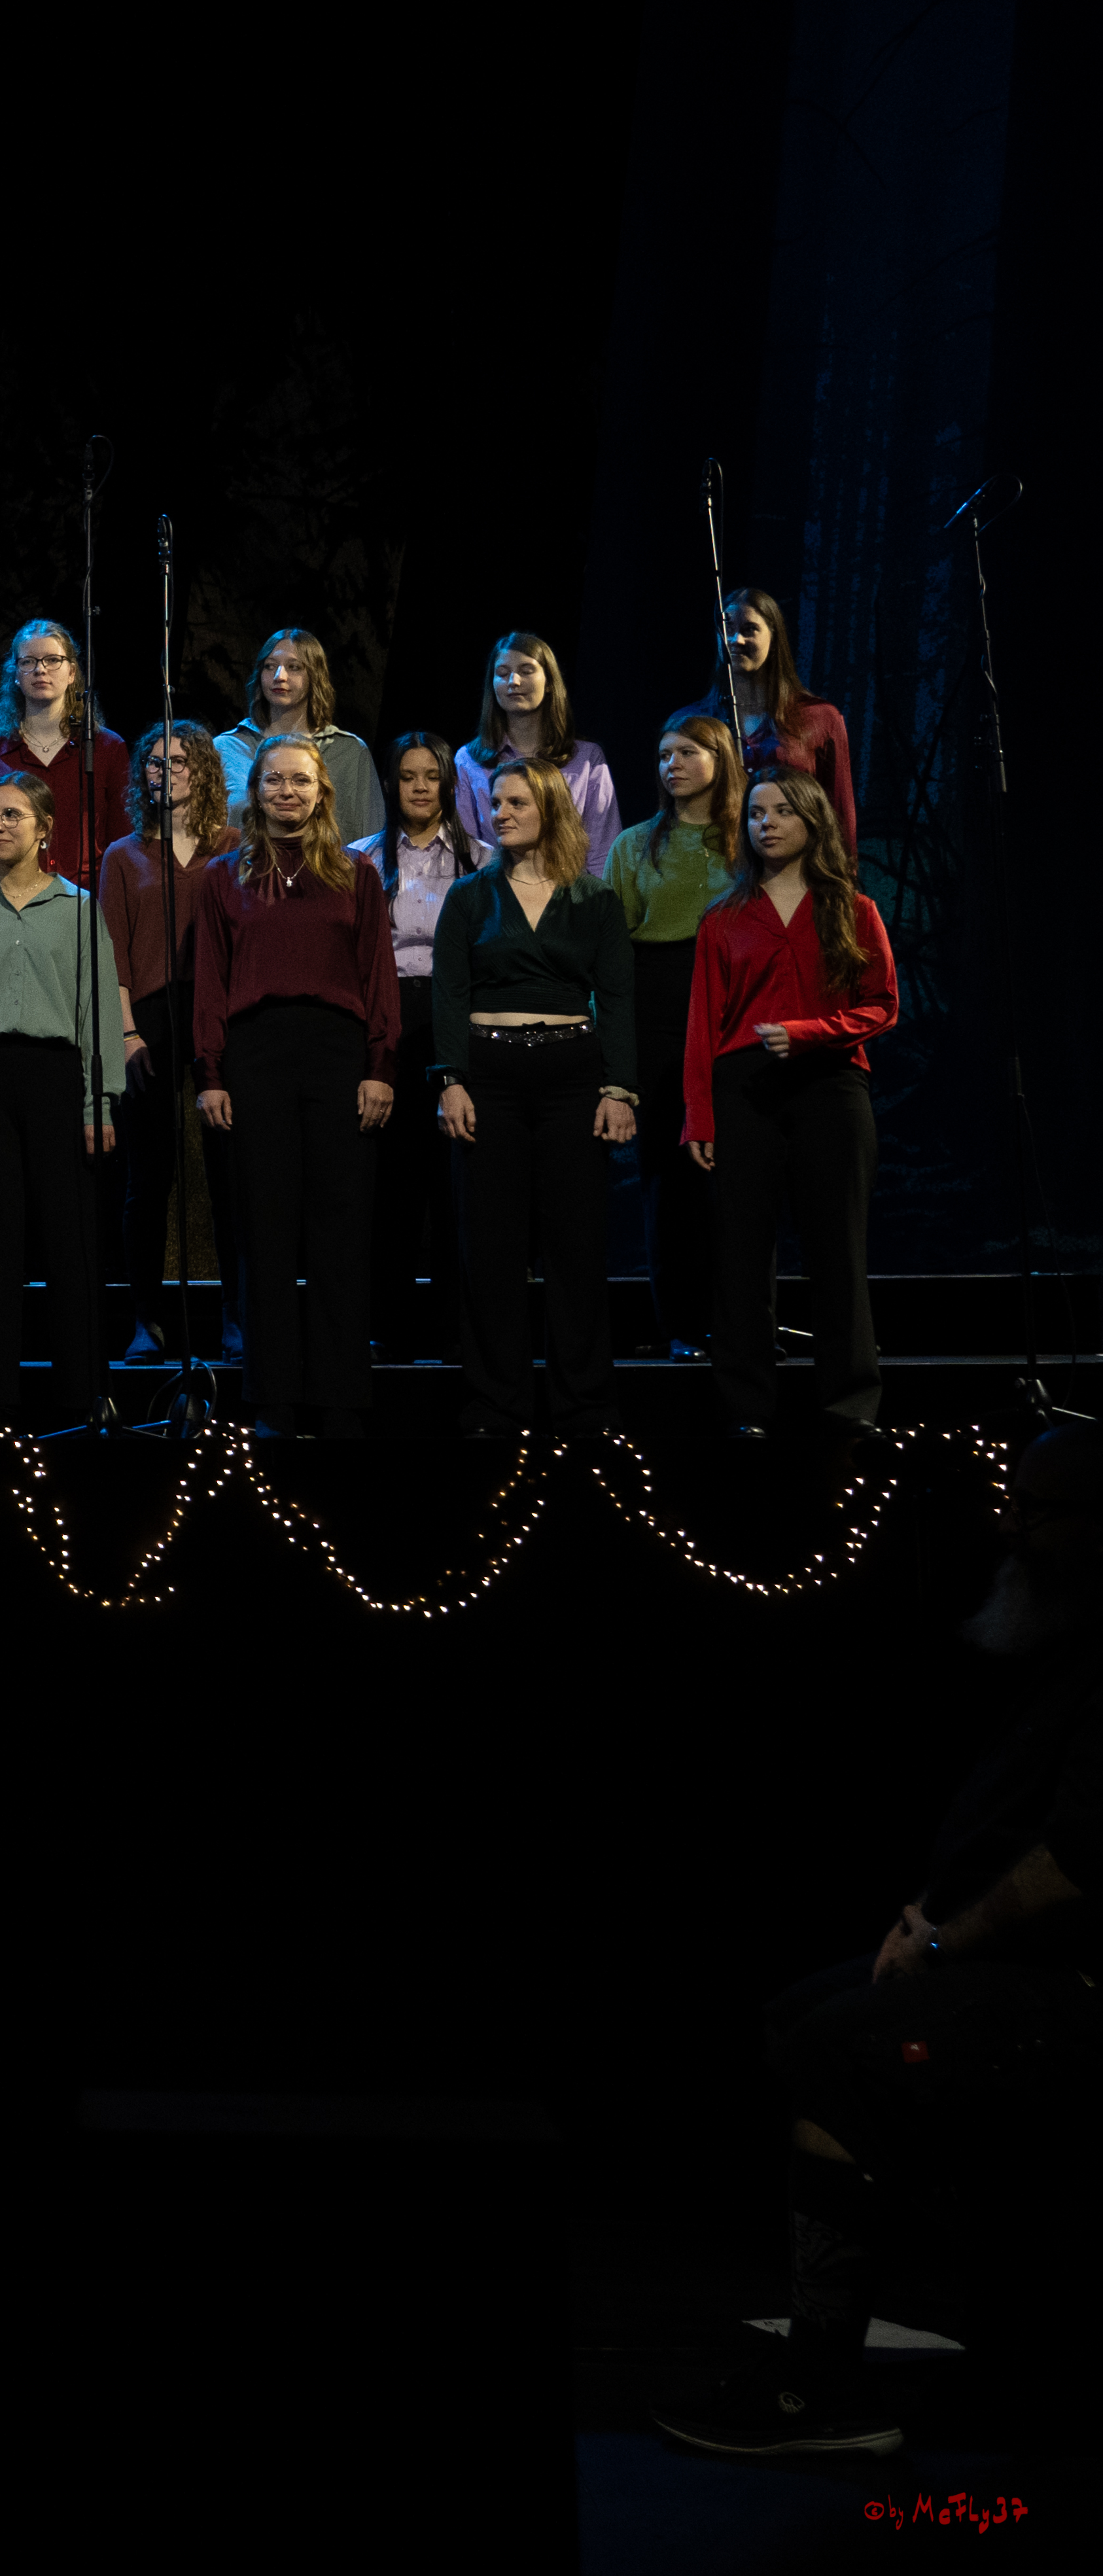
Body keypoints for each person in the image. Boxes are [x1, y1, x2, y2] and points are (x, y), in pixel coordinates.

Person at [651, 1428, 1103, 2461]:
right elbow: (1010, 1830)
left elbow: (1076, 1869)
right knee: (801, 2018)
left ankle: (822, 2387)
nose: (1009, 1526)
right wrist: (927, 1913)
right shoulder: (1071, 1647)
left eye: (1035, 1512)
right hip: (994, 1952)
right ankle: (1012, 2325)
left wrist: (942, 1944)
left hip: (1070, 1983)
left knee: (840, 2049)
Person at [193, 736, 402, 1438]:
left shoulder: (357, 874)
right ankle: (273, 1395)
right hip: (256, 1056)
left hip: (338, 1053)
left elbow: (379, 979)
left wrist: (380, 1068)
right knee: (267, 1229)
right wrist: (212, 1074)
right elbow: (210, 987)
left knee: (341, 1225)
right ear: (253, 791)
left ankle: (341, 1394)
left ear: (322, 793)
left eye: (300, 782)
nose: (287, 792)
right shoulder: (225, 877)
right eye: (274, 781)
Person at [430, 761, 635, 1439]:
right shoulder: (470, 897)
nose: (501, 811)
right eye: (495, 801)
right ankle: (496, 1404)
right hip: (488, 1078)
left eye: (517, 801)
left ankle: (585, 1406)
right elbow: (450, 993)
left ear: (550, 806)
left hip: (572, 1079)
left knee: (576, 1246)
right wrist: (450, 1078)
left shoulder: (596, 900)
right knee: (490, 1247)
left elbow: (619, 999)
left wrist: (618, 1088)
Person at [688, 774, 895, 1436]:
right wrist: (699, 1115)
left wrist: (811, 1033)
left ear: (813, 820)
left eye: (781, 811)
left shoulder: (853, 909)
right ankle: (747, 1410)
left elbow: (883, 1004)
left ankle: (849, 1407)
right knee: (742, 1256)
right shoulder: (724, 918)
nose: (766, 824)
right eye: (755, 814)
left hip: (831, 1083)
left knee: (839, 1250)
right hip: (744, 1088)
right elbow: (703, 1025)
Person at [0, 775, 122, 1430]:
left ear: (44, 829)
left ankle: (81, 1395)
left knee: (71, 1240)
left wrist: (99, 1103)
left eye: (12, 815)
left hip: (57, 1079)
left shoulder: (78, 908)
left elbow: (98, 1010)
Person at [606, 713, 745, 1360]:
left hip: (736, 1003)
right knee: (667, 1171)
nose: (672, 764)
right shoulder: (635, 845)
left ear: (720, 757)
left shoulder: (748, 839)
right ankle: (683, 1326)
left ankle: (742, 1317)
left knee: (740, 1171)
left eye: (687, 752)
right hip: (660, 1001)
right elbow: (613, 952)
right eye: (664, 755)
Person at [101, 720, 231, 1364]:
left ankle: (238, 1318)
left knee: (230, 1174)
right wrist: (126, 1032)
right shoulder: (122, 856)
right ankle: (144, 1321)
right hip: (147, 1019)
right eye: (154, 763)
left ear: (203, 771)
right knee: (146, 1178)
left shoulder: (233, 847)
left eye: (179, 762)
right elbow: (114, 955)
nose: (165, 771)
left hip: (219, 1018)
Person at [363, 732, 470, 1367]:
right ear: (392, 785)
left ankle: (459, 1332)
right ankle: (389, 1328)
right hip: (391, 1017)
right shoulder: (364, 859)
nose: (421, 787)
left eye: (432, 776)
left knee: (455, 1181)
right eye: (409, 777)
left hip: (455, 1017)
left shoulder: (480, 858)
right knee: (394, 1183)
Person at [0, 619, 128, 887]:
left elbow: (123, 840)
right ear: (15, 674)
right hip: (11, 900)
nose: (40, 670)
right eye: (28, 662)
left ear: (72, 672)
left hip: (86, 904)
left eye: (52, 660)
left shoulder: (107, 749)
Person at [699, 586, 859, 864]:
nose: (735, 640)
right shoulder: (696, 723)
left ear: (774, 636)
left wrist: (845, 880)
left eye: (750, 629)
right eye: (728, 629)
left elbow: (840, 813)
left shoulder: (820, 718)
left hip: (799, 873)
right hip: (716, 873)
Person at [457, 631, 618, 868]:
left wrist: (592, 903)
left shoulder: (587, 759)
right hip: (496, 897)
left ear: (550, 682)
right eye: (502, 673)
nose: (514, 681)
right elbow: (466, 849)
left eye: (526, 670)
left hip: (569, 898)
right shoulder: (469, 760)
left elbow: (602, 852)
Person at [212, 626, 383, 841]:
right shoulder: (227, 748)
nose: (279, 676)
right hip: (242, 871)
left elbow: (373, 842)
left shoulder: (349, 752)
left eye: (294, 667)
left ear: (315, 676)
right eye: (269, 666)